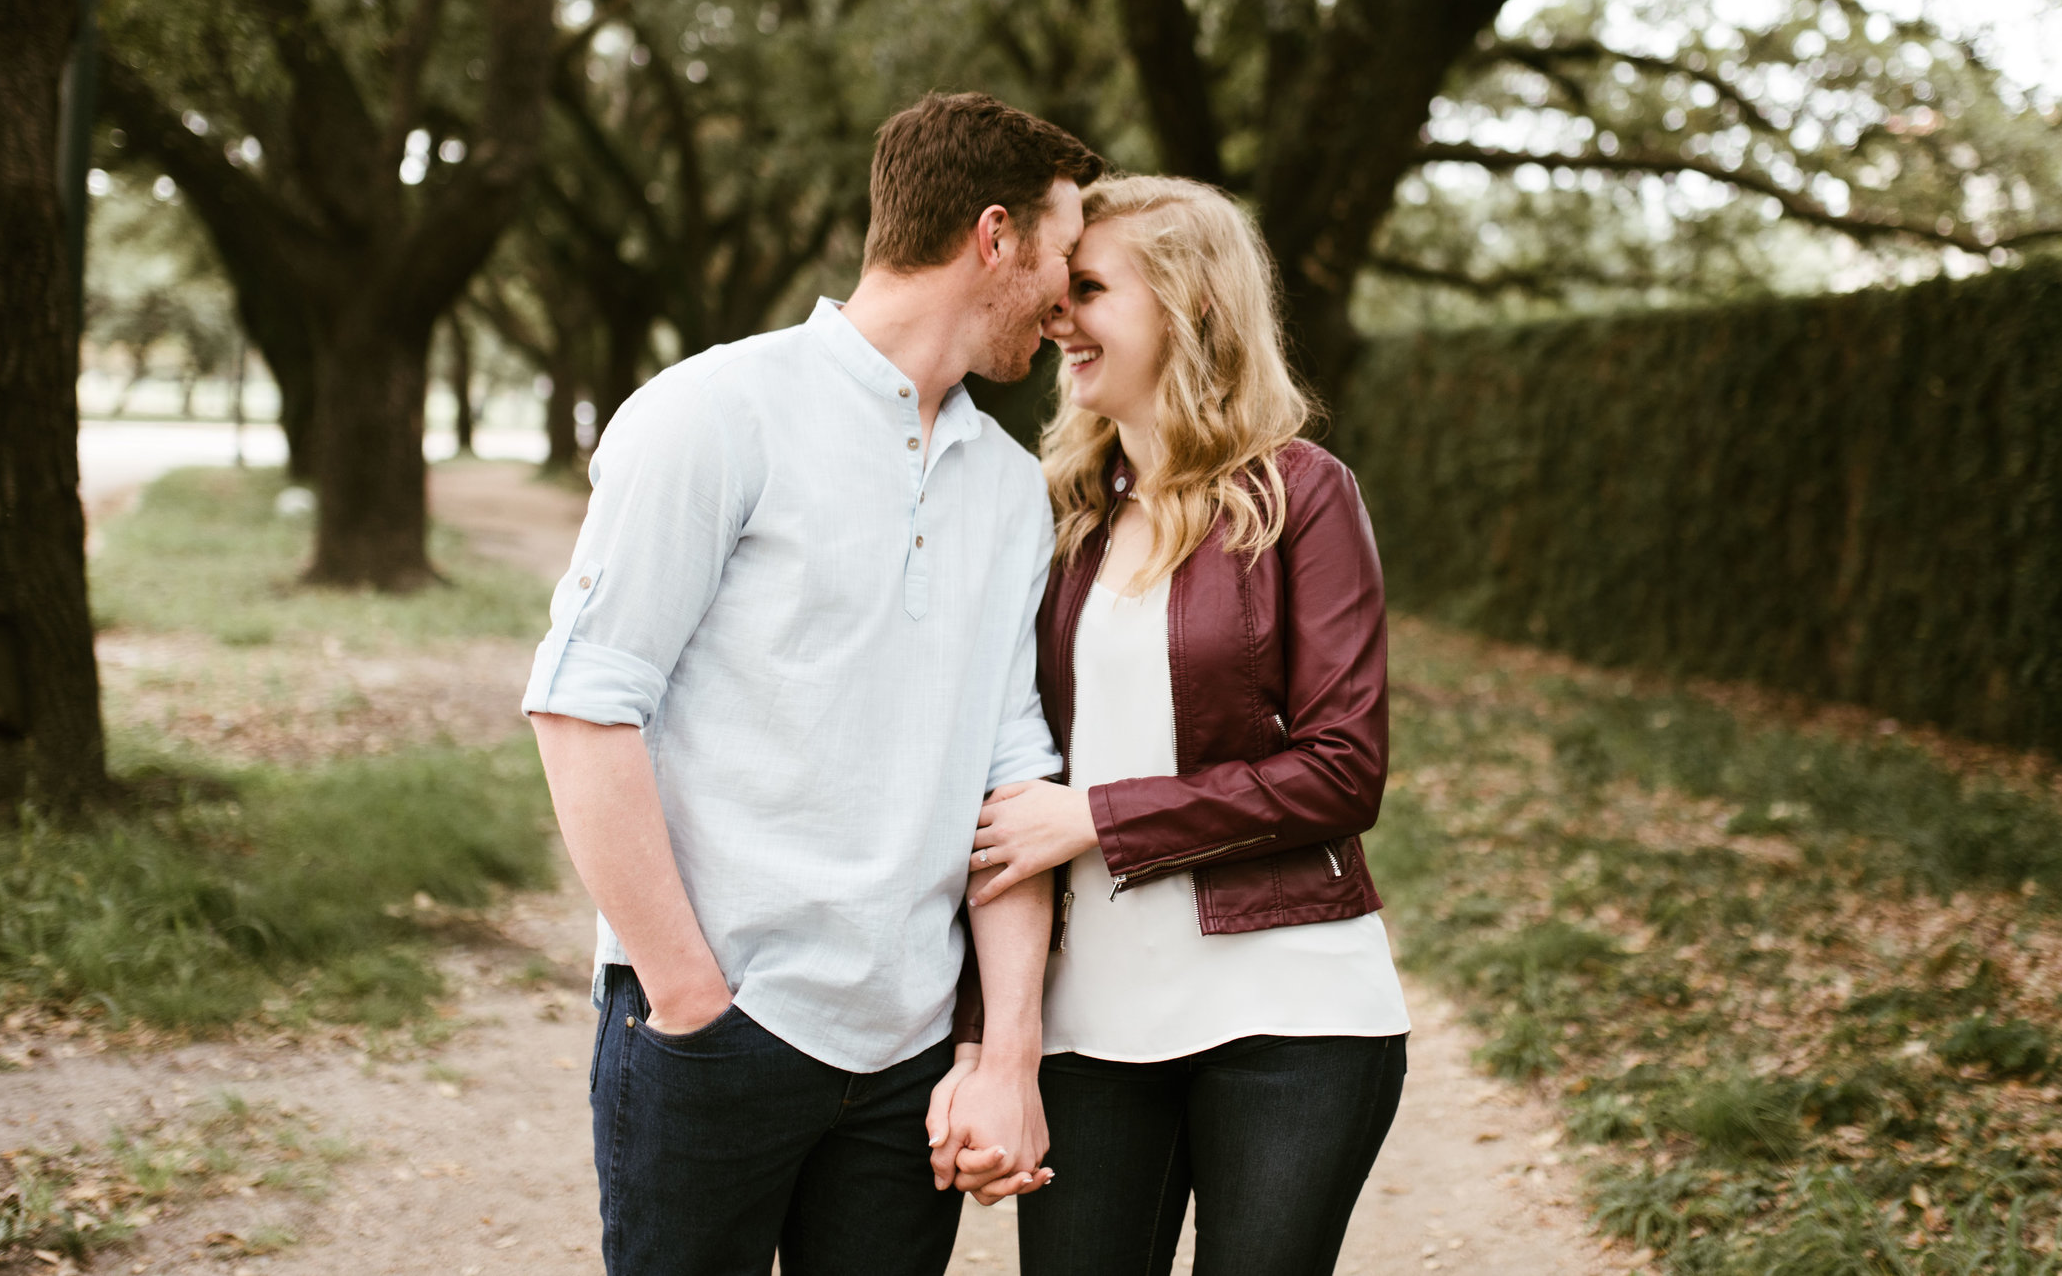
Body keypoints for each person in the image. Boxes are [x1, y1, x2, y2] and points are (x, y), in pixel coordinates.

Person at [522, 92, 1104, 1276]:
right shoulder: (712, 413)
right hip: (716, 1029)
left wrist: (1002, 1057)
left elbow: (1009, 779)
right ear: (994, 237)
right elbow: (583, 705)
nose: (1067, 298)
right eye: (1063, 253)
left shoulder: (1006, 487)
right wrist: (689, 1003)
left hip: (904, 1060)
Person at [967, 175, 1411, 1276]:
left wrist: (1100, 820)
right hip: (1091, 1023)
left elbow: (1343, 770)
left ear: (1189, 308)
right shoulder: (1054, 513)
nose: (1056, 314)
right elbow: (998, 776)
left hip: (1293, 1009)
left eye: (1089, 288)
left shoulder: (1303, 494)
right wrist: (985, 1032)